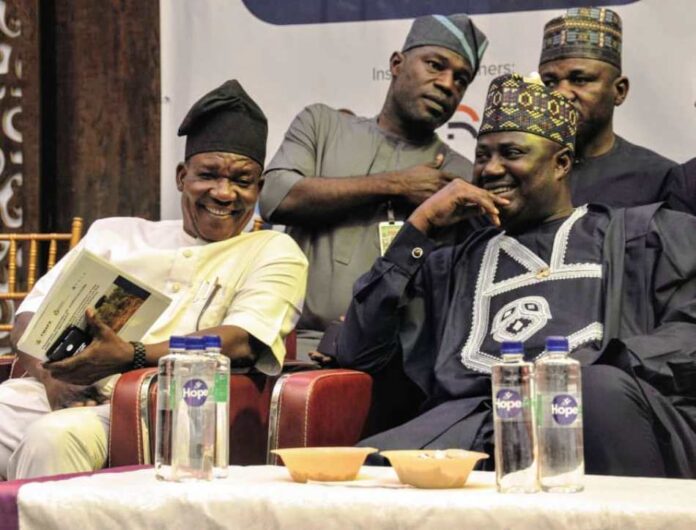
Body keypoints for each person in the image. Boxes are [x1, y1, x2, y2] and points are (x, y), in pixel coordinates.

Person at [336, 73, 696, 478]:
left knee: (592, 395)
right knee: (357, 472)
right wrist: (419, 227)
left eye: (510, 152)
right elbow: (359, 354)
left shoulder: (645, 235)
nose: (491, 169)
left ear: (561, 163)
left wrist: (582, 373)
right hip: (477, 431)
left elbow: (687, 337)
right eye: (482, 155)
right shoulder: (450, 264)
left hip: (606, 420)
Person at [0, 80, 308, 480]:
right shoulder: (115, 234)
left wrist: (132, 356)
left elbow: (241, 339)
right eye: (208, 175)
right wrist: (50, 380)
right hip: (53, 391)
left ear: (259, 188)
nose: (224, 192)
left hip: (160, 408)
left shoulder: (273, 251)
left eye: (242, 180)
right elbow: (31, 315)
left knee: (53, 439)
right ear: (182, 176)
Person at [259, 14, 489, 355]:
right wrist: (398, 185)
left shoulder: (459, 176)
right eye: (435, 65)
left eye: (461, 79)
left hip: (394, 362)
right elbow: (276, 197)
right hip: (294, 348)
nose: (446, 84)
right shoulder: (323, 126)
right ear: (397, 63)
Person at [537, 7, 682, 210]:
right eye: (549, 82)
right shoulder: (522, 172)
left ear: (619, 91)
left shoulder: (660, 177)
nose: (560, 94)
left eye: (579, 80)